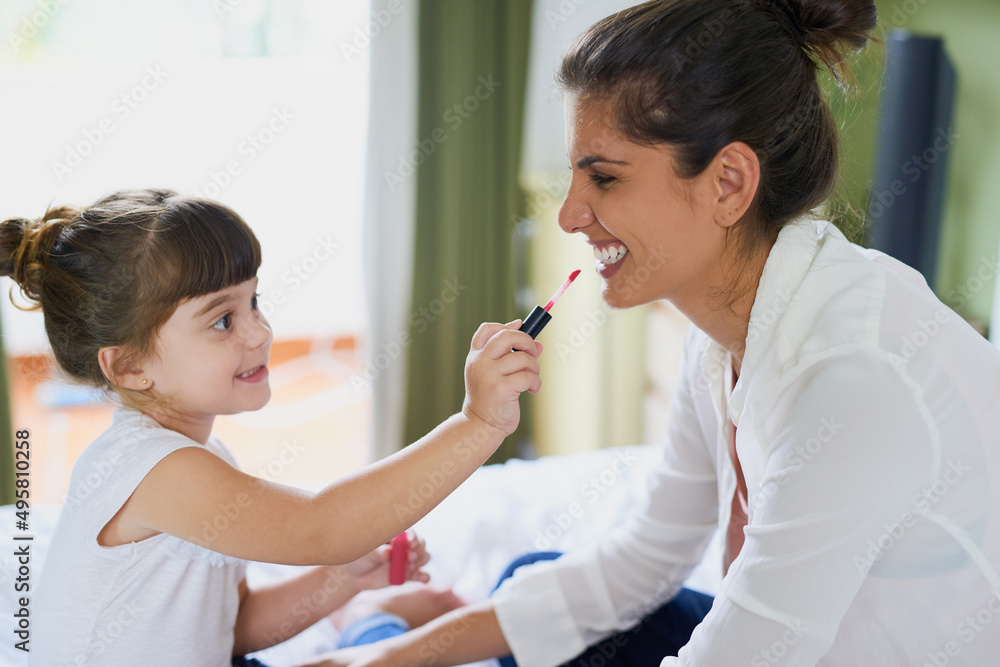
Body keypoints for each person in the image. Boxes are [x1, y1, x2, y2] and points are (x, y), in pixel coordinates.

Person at [308, 0, 1000, 665]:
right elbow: (648, 556)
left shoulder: (853, 381)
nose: (571, 215)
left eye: (604, 178)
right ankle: (393, 627)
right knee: (539, 581)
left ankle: (380, 616)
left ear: (728, 182)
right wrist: (391, 658)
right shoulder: (727, 324)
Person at [0, 188, 542, 665]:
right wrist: (478, 422)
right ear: (129, 367)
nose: (260, 332)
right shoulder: (154, 472)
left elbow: (231, 629)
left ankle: (369, 619)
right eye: (222, 319)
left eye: (252, 301)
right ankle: (375, 624)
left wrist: (342, 580)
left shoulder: (200, 460)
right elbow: (323, 528)